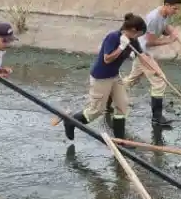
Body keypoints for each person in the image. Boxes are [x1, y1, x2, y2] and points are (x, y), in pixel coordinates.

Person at [64, 13, 164, 142]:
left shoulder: (133, 40)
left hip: (115, 76)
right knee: (97, 110)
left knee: (122, 105)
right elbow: (107, 59)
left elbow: (141, 55)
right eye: (139, 34)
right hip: (101, 77)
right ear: (134, 30)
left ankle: (120, 140)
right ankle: (71, 121)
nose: (139, 37)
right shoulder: (113, 37)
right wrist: (121, 47)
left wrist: (155, 70)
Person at [122, 0, 181, 130]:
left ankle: (113, 91)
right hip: (143, 52)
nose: (177, 11)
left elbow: (164, 27)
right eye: (175, 8)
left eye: (178, 8)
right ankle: (157, 118)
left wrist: (171, 31)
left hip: (141, 52)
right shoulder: (154, 18)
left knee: (132, 79)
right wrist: (169, 41)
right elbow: (150, 42)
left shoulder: (164, 14)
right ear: (167, 5)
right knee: (160, 81)